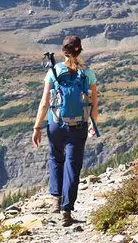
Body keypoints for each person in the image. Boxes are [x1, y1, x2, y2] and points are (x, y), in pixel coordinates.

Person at [32, 35, 98, 227]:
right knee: (72, 166)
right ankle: (66, 210)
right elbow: (93, 103)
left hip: (55, 124)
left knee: (55, 158)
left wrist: (37, 127)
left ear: (63, 52)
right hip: (78, 126)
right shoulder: (88, 73)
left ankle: (55, 198)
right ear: (80, 51)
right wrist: (93, 123)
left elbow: (44, 103)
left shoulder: (54, 71)